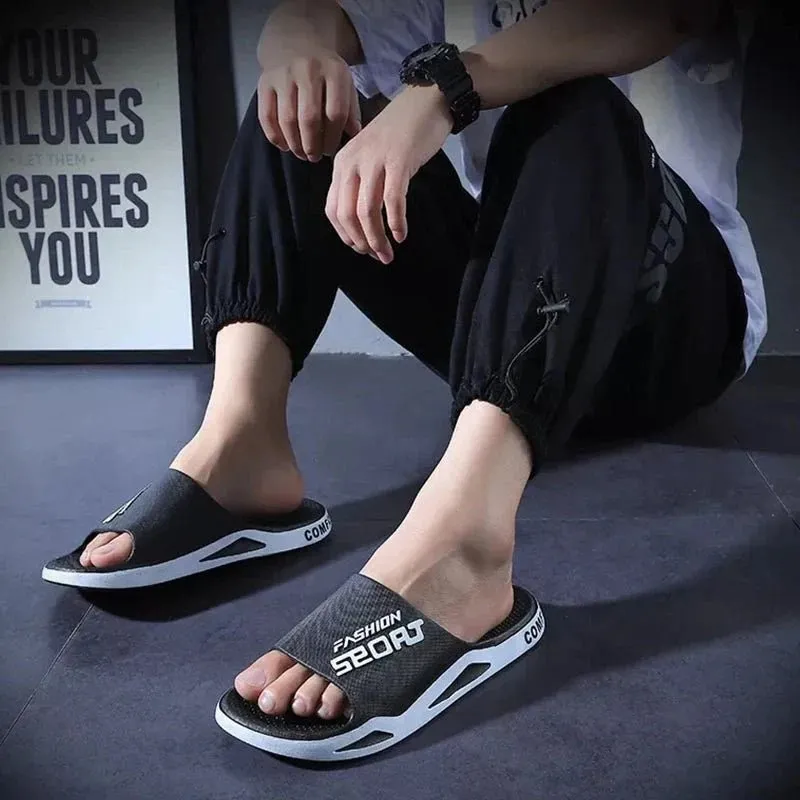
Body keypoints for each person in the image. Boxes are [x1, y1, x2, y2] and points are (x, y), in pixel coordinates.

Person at [43, 0, 767, 760]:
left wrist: (443, 89)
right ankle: (241, 446)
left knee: (574, 104)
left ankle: (465, 544)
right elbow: (310, 15)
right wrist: (300, 54)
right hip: (512, 320)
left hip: (671, 322)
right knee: (301, 103)